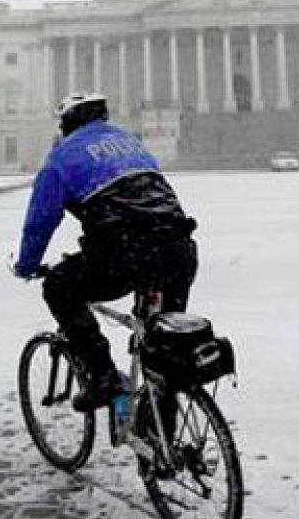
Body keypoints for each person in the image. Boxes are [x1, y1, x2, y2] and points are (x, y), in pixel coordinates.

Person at [13, 93, 199, 410]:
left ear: (67, 123)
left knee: (60, 287)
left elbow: (41, 220)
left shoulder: (63, 156)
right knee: (165, 352)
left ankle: (103, 377)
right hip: (179, 251)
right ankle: (165, 443)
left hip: (125, 255)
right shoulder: (131, 144)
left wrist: (27, 264)